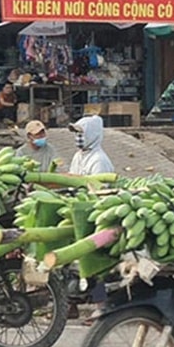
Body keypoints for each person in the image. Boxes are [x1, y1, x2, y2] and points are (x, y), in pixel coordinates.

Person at [68, 116, 115, 323]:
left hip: (95, 214)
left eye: (81, 133)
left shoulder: (99, 160)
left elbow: (98, 191)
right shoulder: (79, 156)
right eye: (76, 133)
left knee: (92, 262)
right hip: (77, 211)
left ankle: (101, 306)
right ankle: (69, 305)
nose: (78, 138)